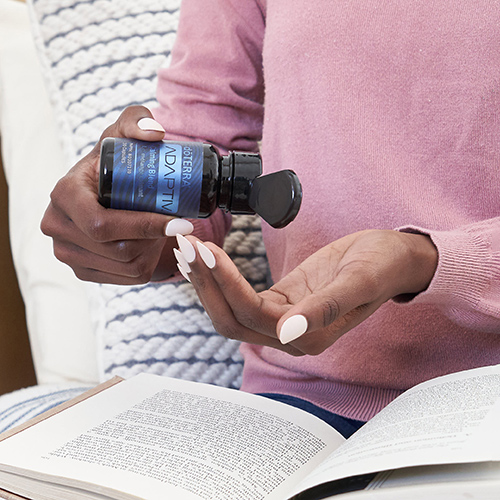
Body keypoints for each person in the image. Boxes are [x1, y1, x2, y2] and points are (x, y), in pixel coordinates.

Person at [41, 1, 500, 438]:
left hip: (486, 404)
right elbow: (203, 143)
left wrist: (429, 262)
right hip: (303, 406)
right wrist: (127, 227)